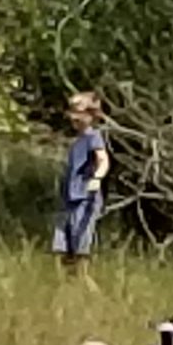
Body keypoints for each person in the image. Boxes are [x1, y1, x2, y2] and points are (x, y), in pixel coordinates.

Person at [56, 92, 111, 276]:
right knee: (63, 247)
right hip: (70, 199)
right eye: (71, 112)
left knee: (81, 249)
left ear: (91, 115)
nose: (73, 117)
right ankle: (69, 287)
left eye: (78, 112)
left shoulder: (93, 137)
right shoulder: (77, 142)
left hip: (85, 200)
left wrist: (96, 179)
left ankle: (87, 288)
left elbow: (103, 160)